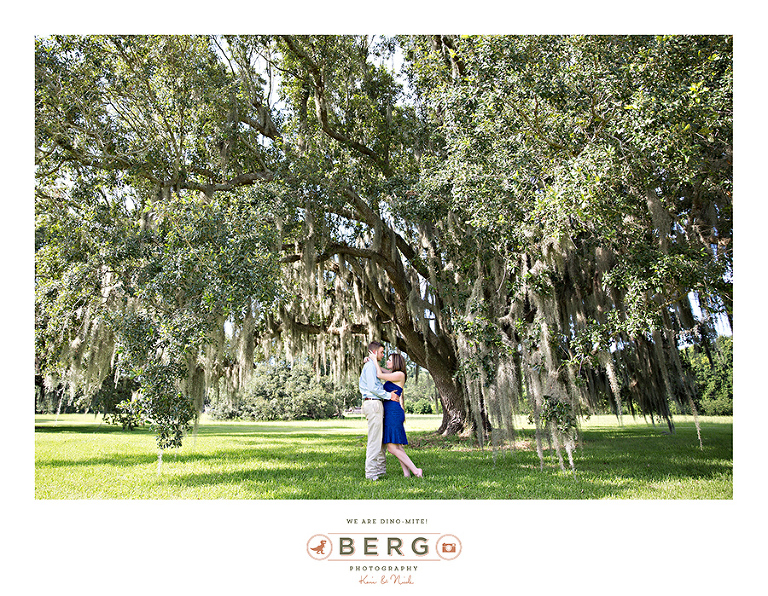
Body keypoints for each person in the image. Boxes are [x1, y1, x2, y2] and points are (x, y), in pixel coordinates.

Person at [368, 350, 423, 478]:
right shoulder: (394, 373)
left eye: (389, 360)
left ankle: (416, 470)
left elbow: (379, 374)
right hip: (390, 411)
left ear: (396, 362)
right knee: (397, 446)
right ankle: (406, 473)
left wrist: (374, 360)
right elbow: (380, 369)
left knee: (392, 448)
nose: (387, 361)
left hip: (393, 412)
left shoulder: (399, 374)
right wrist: (371, 361)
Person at [359, 341, 399, 480]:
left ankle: (380, 470)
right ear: (375, 352)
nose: (383, 355)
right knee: (375, 440)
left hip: (377, 404)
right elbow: (372, 388)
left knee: (380, 440)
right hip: (373, 403)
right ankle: (371, 474)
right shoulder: (370, 367)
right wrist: (390, 396)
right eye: (382, 352)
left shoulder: (373, 365)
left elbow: (387, 373)